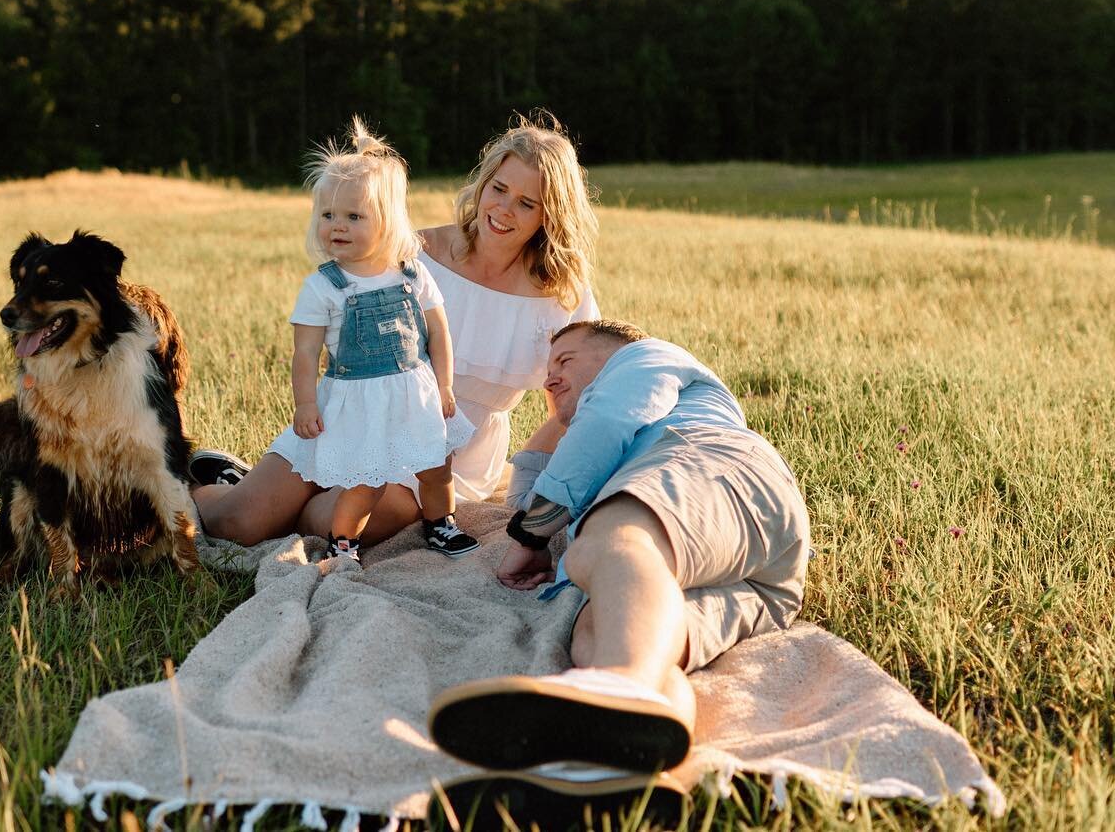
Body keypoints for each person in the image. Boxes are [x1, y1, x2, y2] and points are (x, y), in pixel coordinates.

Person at [425, 319, 811, 822]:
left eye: (565, 360)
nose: (550, 378)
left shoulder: (647, 358)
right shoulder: (594, 437)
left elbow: (606, 421)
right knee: (601, 633)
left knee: (609, 543)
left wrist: (531, 535)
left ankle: (619, 685)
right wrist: (561, 417)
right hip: (761, 575)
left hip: (716, 469)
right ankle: (620, 775)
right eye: (546, 372)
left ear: (615, 353)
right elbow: (526, 497)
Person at [190, 112, 601, 549]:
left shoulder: (562, 295)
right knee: (240, 523)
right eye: (498, 189)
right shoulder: (413, 254)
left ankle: (256, 484)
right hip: (357, 409)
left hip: (449, 448)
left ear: (550, 214)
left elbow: (578, 401)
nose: (502, 209)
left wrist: (533, 469)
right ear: (482, 186)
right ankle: (217, 486)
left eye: (526, 202)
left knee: (321, 520)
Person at [244, 118, 478, 564]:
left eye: (354, 216)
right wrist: (305, 404)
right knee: (363, 482)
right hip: (360, 401)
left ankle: (441, 524)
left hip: (416, 393)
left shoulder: (411, 273)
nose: (338, 226)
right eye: (328, 215)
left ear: (387, 222)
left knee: (436, 467)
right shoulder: (325, 287)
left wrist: (445, 385)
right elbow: (306, 352)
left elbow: (439, 332)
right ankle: (344, 542)